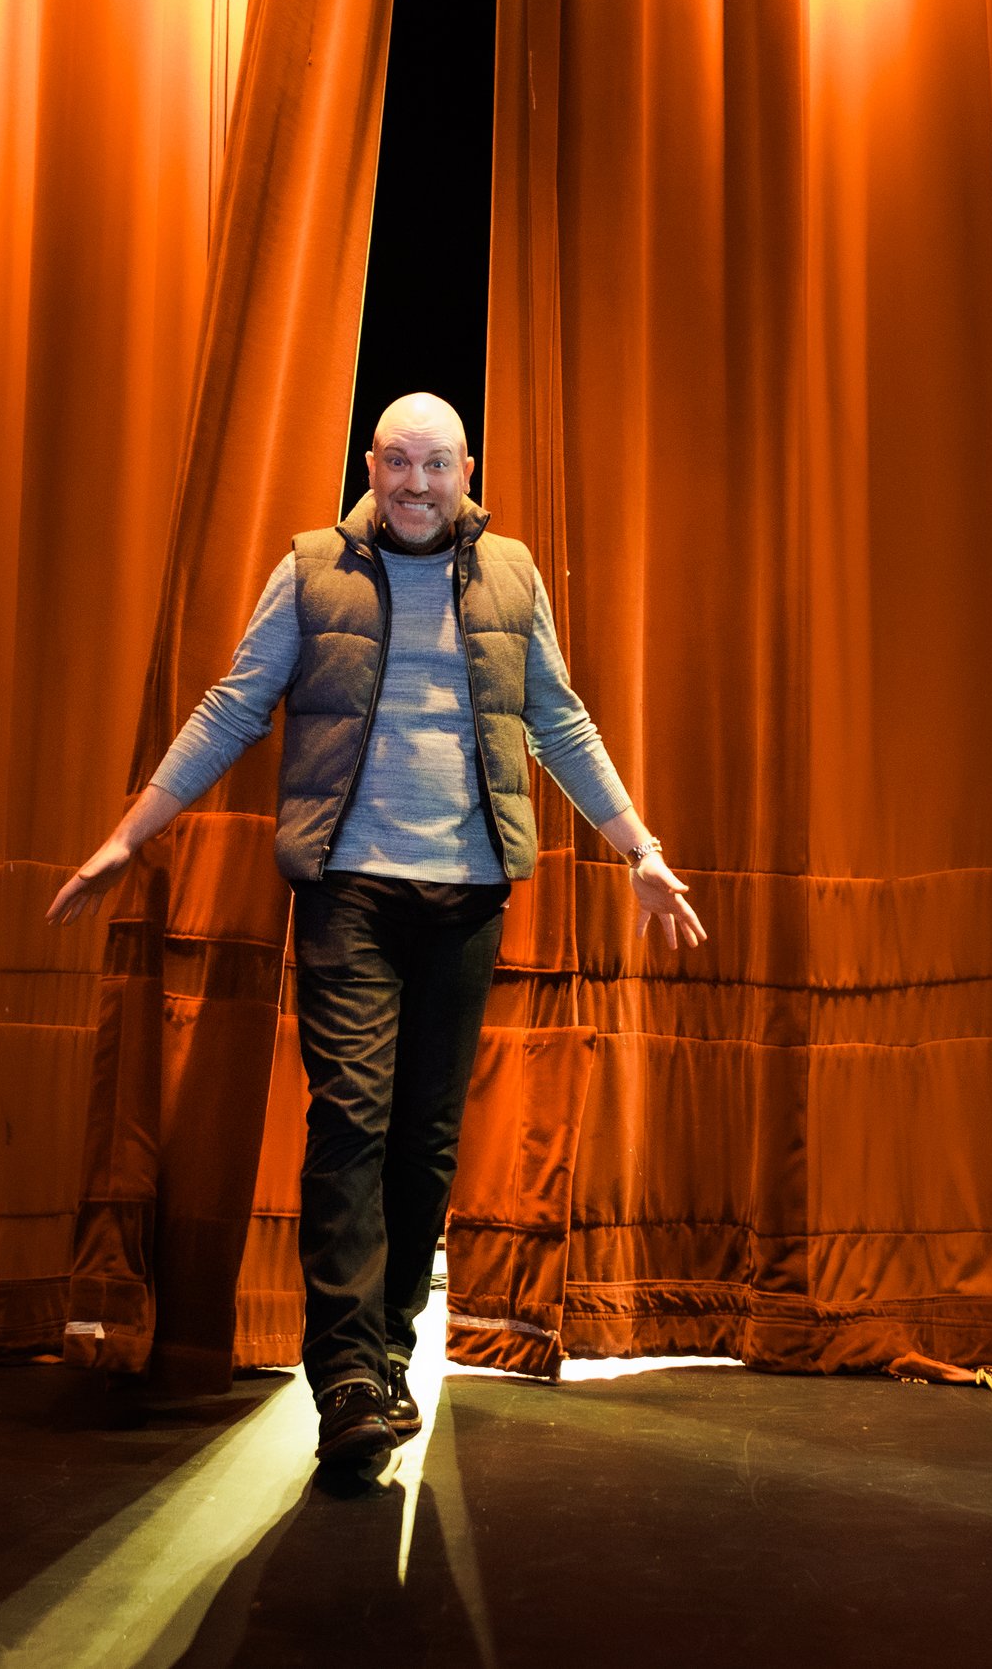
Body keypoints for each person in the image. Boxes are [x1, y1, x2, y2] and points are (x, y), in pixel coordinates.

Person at [47, 392, 704, 1470]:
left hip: (468, 894)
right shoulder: (312, 570)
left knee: (424, 1139)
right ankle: (345, 1372)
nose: (414, 484)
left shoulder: (512, 574)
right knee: (350, 1116)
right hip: (349, 885)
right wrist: (131, 835)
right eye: (396, 463)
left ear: (465, 469)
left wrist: (639, 849)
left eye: (434, 465)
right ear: (369, 463)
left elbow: (559, 717)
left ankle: (388, 1349)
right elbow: (229, 706)